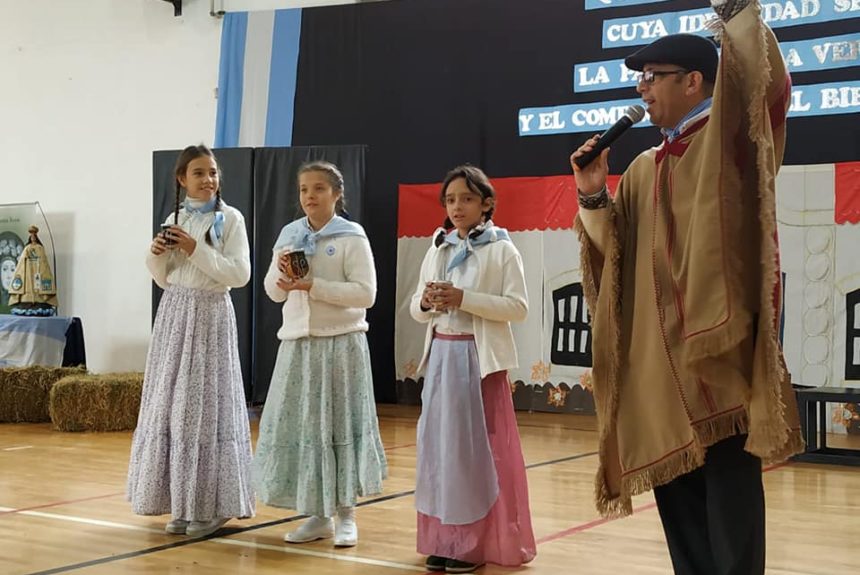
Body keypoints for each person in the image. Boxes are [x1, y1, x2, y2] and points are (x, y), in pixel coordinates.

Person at [569, 1, 804, 573]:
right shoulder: (645, 167)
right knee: (681, 515)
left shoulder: (732, 145)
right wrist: (594, 195)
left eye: (653, 78)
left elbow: (765, 93)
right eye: (639, 80)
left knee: (731, 511)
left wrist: (739, 14)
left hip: (716, 365)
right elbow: (616, 261)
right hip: (658, 370)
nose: (643, 90)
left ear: (694, 81)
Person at [253, 160, 387, 548]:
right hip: (298, 343)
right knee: (308, 430)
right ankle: (317, 514)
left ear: (336, 194)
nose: (309, 196)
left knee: (340, 427)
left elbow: (366, 293)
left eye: (319, 189)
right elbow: (273, 292)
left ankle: (347, 515)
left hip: (341, 342)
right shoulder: (290, 234)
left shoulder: (351, 236)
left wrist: (315, 285)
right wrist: (282, 277)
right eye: (304, 190)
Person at [410, 165, 535, 574]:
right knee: (438, 453)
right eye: (450, 200)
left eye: (466, 199)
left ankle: (471, 543)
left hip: (478, 362)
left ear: (487, 204)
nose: (457, 207)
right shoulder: (438, 247)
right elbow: (415, 307)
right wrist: (428, 302)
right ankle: (442, 538)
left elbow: (518, 308)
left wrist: (464, 297)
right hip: (442, 358)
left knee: (471, 454)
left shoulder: (502, 249)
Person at [127, 144, 255, 538]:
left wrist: (193, 249)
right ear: (182, 179)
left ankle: (211, 504)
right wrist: (156, 253)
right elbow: (164, 276)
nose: (208, 180)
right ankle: (181, 502)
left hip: (210, 314)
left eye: (212, 172)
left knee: (203, 407)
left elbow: (240, 274)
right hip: (176, 313)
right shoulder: (175, 217)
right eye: (198, 173)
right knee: (173, 407)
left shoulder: (230, 218)